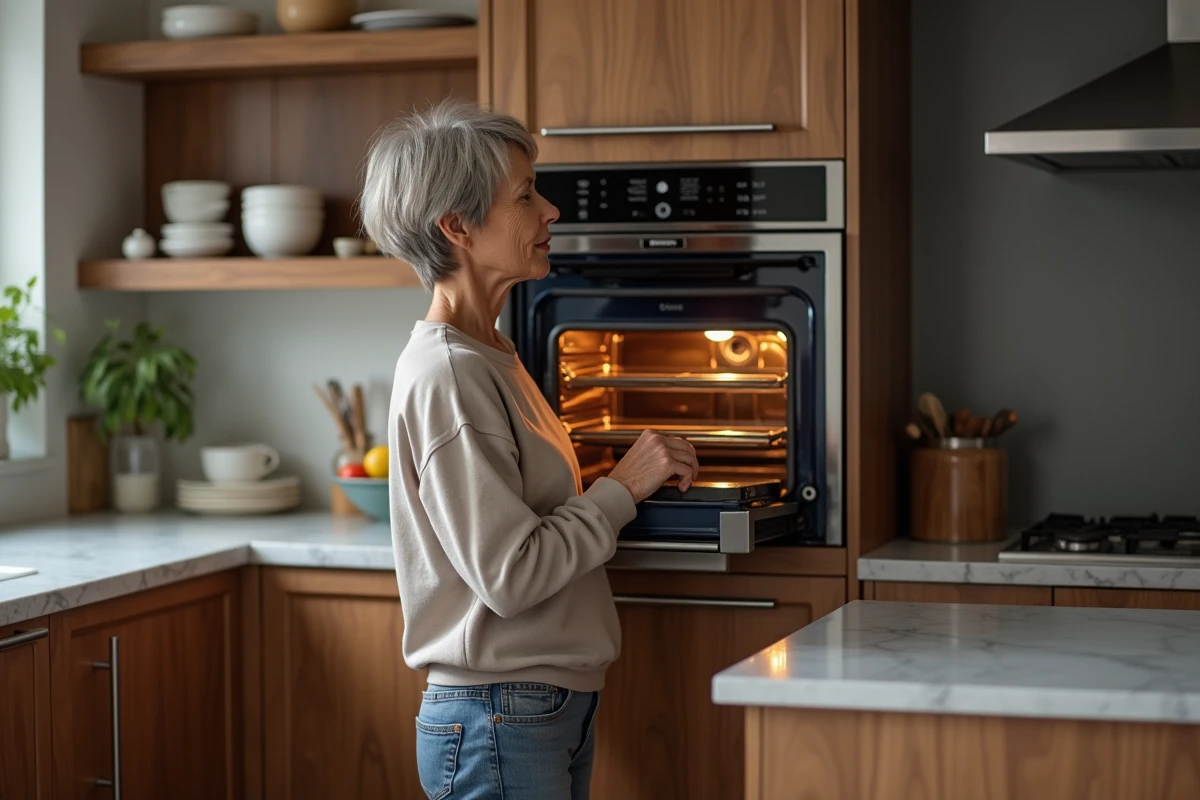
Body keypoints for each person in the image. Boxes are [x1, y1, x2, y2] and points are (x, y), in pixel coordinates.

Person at [359, 98, 699, 800]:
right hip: (498, 714)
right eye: (524, 196)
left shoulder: (492, 355)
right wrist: (623, 488)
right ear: (457, 226)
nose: (551, 212)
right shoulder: (451, 374)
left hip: (532, 708)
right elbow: (510, 574)